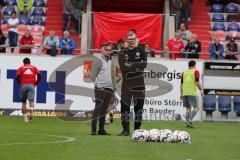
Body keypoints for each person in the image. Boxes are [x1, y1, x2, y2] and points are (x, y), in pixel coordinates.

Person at [118, 31, 147, 136]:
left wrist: (131, 64)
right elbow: (123, 67)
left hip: (139, 82)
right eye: (130, 40)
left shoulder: (141, 50)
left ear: (136, 39)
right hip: (126, 83)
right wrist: (136, 65)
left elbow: (144, 64)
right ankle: (125, 130)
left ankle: (137, 130)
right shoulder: (122, 52)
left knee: (139, 108)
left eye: (133, 39)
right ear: (127, 40)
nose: (131, 41)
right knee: (124, 107)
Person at [90, 42, 116, 135]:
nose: (108, 52)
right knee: (98, 108)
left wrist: (114, 86)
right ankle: (93, 129)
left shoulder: (111, 63)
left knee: (104, 110)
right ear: (102, 51)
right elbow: (92, 75)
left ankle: (101, 130)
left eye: (109, 50)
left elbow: (112, 77)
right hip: (100, 89)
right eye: (106, 50)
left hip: (109, 89)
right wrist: (98, 85)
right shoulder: (98, 61)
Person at [15, 58, 41, 122]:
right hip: (31, 85)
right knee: (31, 101)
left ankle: (25, 118)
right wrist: (36, 83)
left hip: (23, 85)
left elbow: (17, 77)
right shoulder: (34, 68)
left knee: (24, 102)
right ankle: (31, 111)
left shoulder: (21, 68)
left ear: (24, 62)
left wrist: (20, 83)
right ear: (30, 62)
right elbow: (39, 76)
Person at [180, 60, 204, 128]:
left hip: (185, 92)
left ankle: (188, 123)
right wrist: (201, 90)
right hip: (192, 93)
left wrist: (181, 93)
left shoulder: (184, 72)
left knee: (188, 108)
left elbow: (181, 84)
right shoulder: (196, 71)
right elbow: (197, 82)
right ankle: (190, 119)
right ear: (194, 65)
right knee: (197, 108)